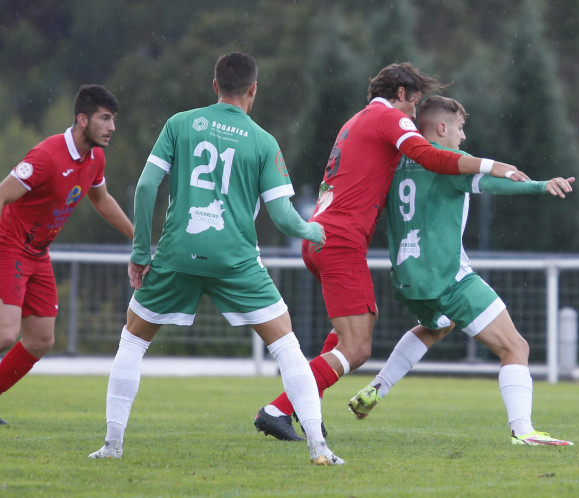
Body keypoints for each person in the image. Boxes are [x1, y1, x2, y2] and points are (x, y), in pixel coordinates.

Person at [87, 53, 342, 465]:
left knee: (133, 341)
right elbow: (283, 217)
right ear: (253, 89)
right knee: (287, 346)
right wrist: (315, 230)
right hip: (235, 260)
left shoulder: (181, 123)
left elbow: (147, 185)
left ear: (214, 85)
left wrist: (140, 252)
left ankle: (112, 445)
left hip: (178, 253)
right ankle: (319, 448)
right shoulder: (263, 141)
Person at [252, 62, 528, 441]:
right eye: (414, 105)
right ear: (401, 95)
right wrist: (493, 166)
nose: (415, 116)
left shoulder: (355, 120)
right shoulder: (388, 117)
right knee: (357, 347)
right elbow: (430, 156)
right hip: (340, 241)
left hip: (319, 235)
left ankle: (298, 403)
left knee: (351, 328)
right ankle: (279, 409)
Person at [343, 95, 573, 445]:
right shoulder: (446, 162)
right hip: (448, 278)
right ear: (441, 128)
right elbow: (493, 182)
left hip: (407, 279)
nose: (463, 137)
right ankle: (523, 430)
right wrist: (540, 185)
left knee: (438, 326)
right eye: (461, 128)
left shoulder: (395, 161)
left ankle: (377, 388)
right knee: (515, 348)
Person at [0, 85, 134, 425]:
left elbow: (101, 199)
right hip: (10, 245)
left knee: (41, 340)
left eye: (113, 119)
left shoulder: (95, 158)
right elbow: (2, 194)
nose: (111, 127)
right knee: (5, 333)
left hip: (39, 254)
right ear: (82, 119)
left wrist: (139, 238)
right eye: (105, 118)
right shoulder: (46, 156)